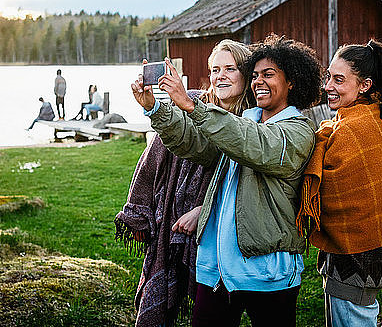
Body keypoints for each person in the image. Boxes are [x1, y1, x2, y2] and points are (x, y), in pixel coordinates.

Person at [131, 34, 323, 326]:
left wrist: (193, 106)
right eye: (255, 75)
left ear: (292, 82)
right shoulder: (245, 121)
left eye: (268, 75)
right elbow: (195, 143)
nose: (258, 81)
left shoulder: (297, 131)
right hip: (218, 270)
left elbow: (254, 144)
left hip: (267, 273)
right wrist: (156, 109)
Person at [115, 39, 253, 327]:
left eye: (230, 68)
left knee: (217, 308)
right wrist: (153, 106)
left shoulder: (252, 121)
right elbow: (155, 154)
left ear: (247, 73)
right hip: (173, 212)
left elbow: (243, 178)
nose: (220, 76)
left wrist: (205, 209)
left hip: (224, 230)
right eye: (215, 69)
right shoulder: (192, 100)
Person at [296, 39, 382, 327]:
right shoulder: (365, 119)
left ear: (364, 85)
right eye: (328, 77)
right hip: (368, 252)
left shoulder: (352, 130)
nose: (327, 86)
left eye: (338, 79)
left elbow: (338, 196)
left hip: (355, 258)